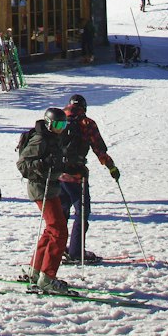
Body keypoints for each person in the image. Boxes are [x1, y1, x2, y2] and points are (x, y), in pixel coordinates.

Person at [16, 107, 73, 294]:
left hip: (51, 187)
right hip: (41, 188)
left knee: (52, 229)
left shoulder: (54, 138)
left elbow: (57, 161)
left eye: (63, 125)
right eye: (57, 125)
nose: (60, 128)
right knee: (59, 231)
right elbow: (23, 164)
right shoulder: (40, 139)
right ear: (49, 124)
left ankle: (35, 270)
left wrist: (74, 167)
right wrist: (42, 165)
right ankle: (47, 278)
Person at [59, 93, 120, 264]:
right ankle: (76, 251)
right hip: (77, 177)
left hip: (57, 175)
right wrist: (112, 168)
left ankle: (58, 248)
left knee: (61, 213)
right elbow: (99, 149)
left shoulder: (59, 119)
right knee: (82, 212)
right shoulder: (87, 123)